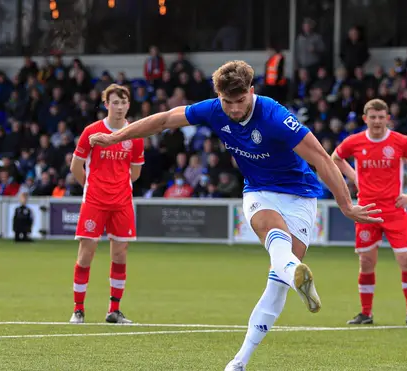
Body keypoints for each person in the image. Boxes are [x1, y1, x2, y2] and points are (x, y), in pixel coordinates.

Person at [88, 60, 382, 371]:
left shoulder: (275, 115)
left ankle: (245, 353)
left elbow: (322, 159)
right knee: (272, 234)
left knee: (277, 282)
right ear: (219, 96)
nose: (234, 109)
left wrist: (346, 205)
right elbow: (163, 120)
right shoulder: (213, 109)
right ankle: (259, 329)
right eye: (227, 102)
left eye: (240, 101)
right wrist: (114, 137)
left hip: (300, 196)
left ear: (251, 92)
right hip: (258, 191)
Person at [332, 98, 407, 326]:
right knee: (366, 262)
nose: (377, 121)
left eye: (381, 117)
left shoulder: (400, 141)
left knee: (406, 260)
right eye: (372, 117)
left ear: (387, 118)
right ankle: (366, 313)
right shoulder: (355, 141)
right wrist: (354, 176)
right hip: (366, 210)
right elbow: (335, 158)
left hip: (394, 210)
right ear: (365, 119)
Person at [69, 84, 145, 324]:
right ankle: (78, 309)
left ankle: (114, 310)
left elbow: (135, 173)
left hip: (122, 202)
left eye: (123, 103)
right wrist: (93, 186)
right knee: (86, 254)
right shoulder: (92, 132)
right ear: (106, 104)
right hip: (94, 200)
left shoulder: (135, 134)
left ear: (129, 105)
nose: (120, 107)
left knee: (120, 254)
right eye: (115, 102)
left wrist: (117, 186)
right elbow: (75, 167)